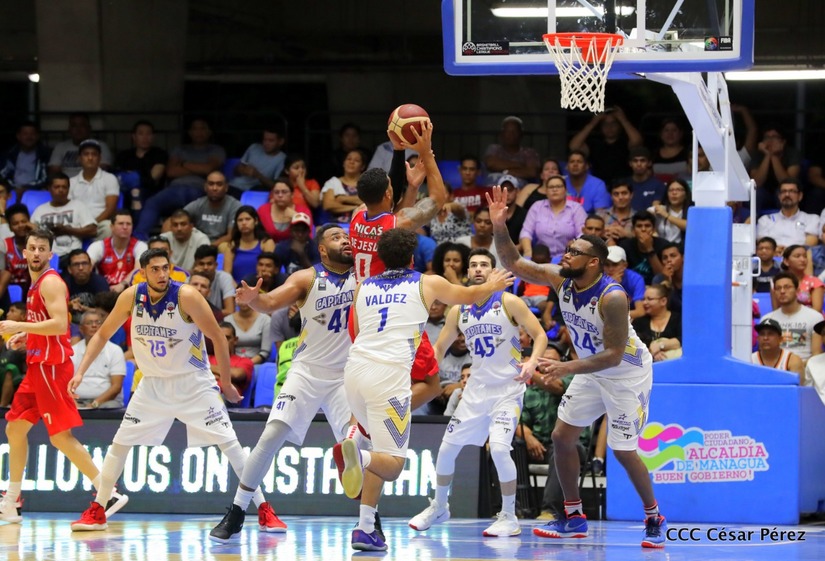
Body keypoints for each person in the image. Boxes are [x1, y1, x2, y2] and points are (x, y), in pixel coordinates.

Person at [487, 185, 667, 548]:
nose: (565, 255)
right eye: (567, 249)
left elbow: (613, 354)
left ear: (594, 262)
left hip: (626, 374)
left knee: (623, 451)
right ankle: (574, 516)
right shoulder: (560, 279)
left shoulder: (612, 297)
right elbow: (514, 263)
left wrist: (567, 368)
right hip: (589, 369)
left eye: (574, 252)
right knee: (561, 437)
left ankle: (654, 517)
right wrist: (499, 225)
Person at [68, 248, 281, 532]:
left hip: (193, 383)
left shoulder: (186, 296)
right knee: (120, 444)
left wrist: (227, 383)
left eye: (165, 268)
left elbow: (218, 337)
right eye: (154, 269)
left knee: (230, 445)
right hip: (153, 384)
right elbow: (103, 335)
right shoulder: (131, 296)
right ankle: (98, 508)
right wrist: (80, 371)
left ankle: (265, 509)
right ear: (142, 273)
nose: (161, 274)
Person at [336, 228, 513, 551]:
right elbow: (468, 296)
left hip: (354, 372)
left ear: (381, 258)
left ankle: (365, 527)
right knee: (392, 463)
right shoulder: (426, 282)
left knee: (378, 449)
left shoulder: (362, 287)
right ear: (412, 258)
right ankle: (357, 455)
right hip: (389, 378)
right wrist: (493, 284)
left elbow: (357, 332)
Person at [209, 223, 356, 542]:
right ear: (322, 249)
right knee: (271, 435)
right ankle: (237, 512)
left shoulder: (365, 275)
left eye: (346, 236)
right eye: (336, 237)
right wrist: (254, 299)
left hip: (345, 376)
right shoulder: (307, 278)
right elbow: (270, 302)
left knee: (358, 446)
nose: (345, 240)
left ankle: (370, 519)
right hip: (307, 372)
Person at [408, 248, 547, 537]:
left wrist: (532, 361)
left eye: (484, 264)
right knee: (446, 449)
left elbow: (540, 335)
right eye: (474, 265)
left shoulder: (509, 302)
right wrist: (423, 370)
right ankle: (440, 507)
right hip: (476, 391)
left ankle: (509, 516)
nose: (479, 268)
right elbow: (440, 347)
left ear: (493, 271)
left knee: (499, 448)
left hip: (508, 389)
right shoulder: (458, 310)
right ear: (468, 273)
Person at [0, 228, 127, 524]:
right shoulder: (34, 284)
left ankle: (108, 492)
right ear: (24, 252)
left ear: (50, 254)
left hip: (52, 368)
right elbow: (46, 325)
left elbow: (59, 325)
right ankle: (11, 501)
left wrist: (19, 325)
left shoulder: (51, 282)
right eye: (31, 248)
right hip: (37, 366)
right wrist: (26, 336)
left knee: (60, 437)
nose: (36, 253)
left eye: (41, 248)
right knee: (15, 429)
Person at [567, 107, 643, 184]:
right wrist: (594, 122)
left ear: (620, 125)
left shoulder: (625, 142)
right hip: (599, 185)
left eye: (613, 123)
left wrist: (623, 119)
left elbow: (637, 142)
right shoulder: (594, 143)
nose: (609, 127)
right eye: (605, 124)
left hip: (623, 185)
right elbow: (574, 146)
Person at [30, 173, 97, 259]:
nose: (61, 190)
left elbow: (93, 231)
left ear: (68, 189)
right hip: (46, 257)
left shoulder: (78, 206)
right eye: (57, 187)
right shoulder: (40, 210)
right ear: (49, 189)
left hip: (71, 256)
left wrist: (67, 230)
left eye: (64, 187)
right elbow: (30, 233)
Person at [520, 173, 587, 259]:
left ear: (565, 190)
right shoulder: (537, 206)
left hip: (569, 257)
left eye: (558, 186)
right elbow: (526, 232)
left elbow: (582, 234)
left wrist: (574, 244)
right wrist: (528, 252)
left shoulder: (576, 208)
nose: (555, 189)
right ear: (546, 191)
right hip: (540, 258)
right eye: (551, 187)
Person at [762, 272, 822, 363]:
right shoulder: (767, 320)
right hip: (776, 368)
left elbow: (816, 355)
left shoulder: (815, 317)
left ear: (797, 291)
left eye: (787, 287)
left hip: (805, 367)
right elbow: (764, 355)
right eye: (778, 288)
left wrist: (797, 366)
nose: (782, 291)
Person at [71, 310, 126, 409]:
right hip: (77, 401)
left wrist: (95, 403)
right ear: (81, 329)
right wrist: (73, 403)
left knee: (108, 407)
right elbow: (64, 383)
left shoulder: (115, 350)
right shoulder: (72, 351)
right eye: (89, 323)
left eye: (98, 322)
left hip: (106, 402)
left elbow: (116, 386)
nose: (94, 325)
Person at [68, 139, 120, 240]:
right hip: (77, 225)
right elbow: (69, 208)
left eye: (94, 154)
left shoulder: (110, 178)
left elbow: (110, 209)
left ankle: (97, 250)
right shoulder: (71, 182)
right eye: (86, 154)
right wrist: (82, 227)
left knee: (108, 228)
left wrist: (93, 224)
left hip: (99, 223)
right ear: (79, 158)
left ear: (100, 158)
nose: (90, 158)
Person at [87, 210, 148, 292]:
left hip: (129, 290)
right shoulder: (98, 246)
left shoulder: (140, 246)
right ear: (111, 227)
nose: (125, 227)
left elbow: (138, 269)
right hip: (104, 292)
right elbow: (87, 267)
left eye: (128, 224)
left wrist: (122, 284)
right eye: (121, 223)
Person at [114, 120, 169, 206]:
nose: (145, 137)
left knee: (136, 193)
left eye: (148, 134)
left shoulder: (159, 154)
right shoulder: (124, 155)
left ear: (153, 137)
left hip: (151, 193)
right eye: (141, 134)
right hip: (125, 191)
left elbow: (153, 178)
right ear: (134, 136)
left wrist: (132, 177)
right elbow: (117, 177)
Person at [755, 178, 818, 252]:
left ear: (800, 196)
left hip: (798, 257)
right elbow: (762, 244)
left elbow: (810, 244)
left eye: (792, 191)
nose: (787, 194)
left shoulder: (812, 219)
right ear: (779, 196)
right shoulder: (765, 220)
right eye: (783, 191)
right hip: (772, 256)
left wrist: (787, 252)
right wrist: (775, 250)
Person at [219, 205, 276, 284]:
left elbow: (269, 270)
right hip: (236, 288)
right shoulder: (232, 245)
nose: (244, 223)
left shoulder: (266, 242)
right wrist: (238, 288)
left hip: (261, 286)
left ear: (256, 221)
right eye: (240, 220)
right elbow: (227, 274)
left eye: (247, 219)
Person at [183, 171, 242, 246]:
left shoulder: (234, 205)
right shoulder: (198, 204)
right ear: (205, 187)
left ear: (226, 188)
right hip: (199, 243)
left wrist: (209, 248)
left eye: (219, 184)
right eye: (211, 184)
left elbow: (231, 235)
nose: (214, 188)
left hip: (221, 245)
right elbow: (176, 218)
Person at [228, 125, 287, 196]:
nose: (266, 143)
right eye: (264, 139)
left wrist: (257, 175)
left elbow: (275, 186)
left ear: (281, 142)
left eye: (271, 140)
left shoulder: (282, 158)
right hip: (233, 185)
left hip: (253, 192)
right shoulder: (254, 147)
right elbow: (235, 171)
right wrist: (240, 169)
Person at [47, 113, 114, 177]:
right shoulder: (60, 147)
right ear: (69, 129)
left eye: (82, 125)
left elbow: (103, 169)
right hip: (66, 183)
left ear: (89, 128)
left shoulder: (100, 146)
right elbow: (54, 170)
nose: (78, 129)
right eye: (74, 126)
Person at [483, 116, 540, 185]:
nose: (511, 134)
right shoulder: (494, 148)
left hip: (519, 189)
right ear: (502, 134)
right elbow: (491, 164)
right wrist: (519, 165)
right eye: (507, 131)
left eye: (515, 131)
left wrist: (505, 170)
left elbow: (532, 172)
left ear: (521, 134)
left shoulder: (529, 152)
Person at [632, 285, 683, 362]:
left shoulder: (678, 319)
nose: (645, 302)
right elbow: (633, 344)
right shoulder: (638, 322)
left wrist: (660, 345)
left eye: (649, 299)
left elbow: (683, 340)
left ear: (663, 301)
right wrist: (652, 353)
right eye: (643, 299)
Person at [618, 211, 668, 285]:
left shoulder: (664, 245)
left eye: (647, 226)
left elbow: (662, 278)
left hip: (656, 288)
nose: (643, 229)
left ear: (654, 229)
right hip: (631, 287)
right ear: (633, 230)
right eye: (639, 226)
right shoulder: (625, 246)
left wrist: (649, 248)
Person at [0, 121, 51, 193]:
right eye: (25, 134)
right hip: (11, 190)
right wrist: (15, 188)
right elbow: (3, 175)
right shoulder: (10, 154)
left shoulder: (44, 154)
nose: (29, 137)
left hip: (36, 191)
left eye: (32, 134)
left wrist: (26, 188)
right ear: (18, 136)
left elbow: (45, 178)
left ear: (37, 136)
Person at [257, 178, 313, 242]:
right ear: (272, 195)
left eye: (284, 192)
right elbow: (256, 236)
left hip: (295, 247)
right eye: (276, 192)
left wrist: (296, 217)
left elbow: (308, 239)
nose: (280, 195)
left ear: (292, 194)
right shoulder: (263, 210)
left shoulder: (303, 211)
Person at [0, 203, 33, 308]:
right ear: (10, 227)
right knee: (6, 274)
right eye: (15, 223)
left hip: (31, 287)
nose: (20, 226)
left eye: (24, 221)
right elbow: (2, 272)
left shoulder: (36, 243)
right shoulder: (4, 244)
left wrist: (36, 232)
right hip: (8, 290)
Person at [321, 148, 367, 223]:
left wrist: (343, 198)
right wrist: (355, 207)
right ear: (343, 163)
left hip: (362, 224)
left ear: (362, 166)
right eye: (349, 159)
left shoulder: (367, 183)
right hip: (337, 224)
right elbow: (328, 205)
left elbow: (372, 202)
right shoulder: (333, 182)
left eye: (356, 160)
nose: (351, 162)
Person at [752, 318, 804, 383]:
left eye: (770, 334)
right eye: (762, 334)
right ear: (757, 338)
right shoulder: (749, 360)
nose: (765, 338)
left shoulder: (792, 361)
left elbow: (798, 388)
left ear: (780, 339)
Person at [192, 244, 236, 316]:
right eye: (201, 264)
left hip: (219, 320)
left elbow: (230, 311)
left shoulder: (225, 278)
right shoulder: (189, 280)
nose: (205, 267)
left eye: (209, 264)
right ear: (195, 265)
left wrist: (201, 315)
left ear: (216, 265)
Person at [604, 246, 646, 320]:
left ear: (625, 265)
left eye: (615, 264)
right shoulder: (599, 277)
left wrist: (616, 316)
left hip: (629, 318)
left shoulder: (636, 279)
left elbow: (640, 312)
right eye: (606, 264)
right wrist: (611, 285)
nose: (610, 269)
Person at [780, 244, 824, 312]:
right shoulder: (778, 283)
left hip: (810, 317)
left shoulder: (815, 282)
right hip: (785, 317)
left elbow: (817, 311)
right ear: (786, 261)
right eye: (797, 256)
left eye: (805, 256)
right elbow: (776, 310)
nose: (803, 260)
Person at [0, 302, 28, 408]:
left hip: (18, 373)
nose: (7, 314)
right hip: (2, 365)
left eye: (12, 311)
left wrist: (29, 348)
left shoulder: (29, 334)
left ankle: (2, 407)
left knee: (11, 369)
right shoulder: (3, 331)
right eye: (8, 311)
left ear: (23, 316)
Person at [650, 179, 691, 244]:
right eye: (671, 190)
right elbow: (645, 215)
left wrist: (667, 215)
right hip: (662, 247)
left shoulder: (691, 211)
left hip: (682, 247)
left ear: (686, 194)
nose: (674, 193)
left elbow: (689, 227)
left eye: (678, 190)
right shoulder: (661, 209)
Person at [627, 146, 666, 212]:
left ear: (649, 163)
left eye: (642, 160)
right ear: (630, 163)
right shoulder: (624, 184)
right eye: (635, 161)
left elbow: (655, 209)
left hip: (650, 217)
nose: (639, 164)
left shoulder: (658, 185)